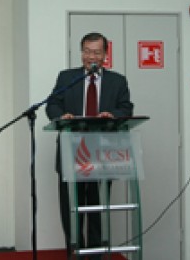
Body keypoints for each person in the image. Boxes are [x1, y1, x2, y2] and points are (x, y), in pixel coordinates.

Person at [45, 32, 134, 259]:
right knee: (70, 207)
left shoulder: (117, 81)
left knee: (96, 206)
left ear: (105, 54)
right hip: (70, 149)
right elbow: (52, 104)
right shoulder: (67, 78)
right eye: (86, 51)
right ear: (81, 52)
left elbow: (126, 109)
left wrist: (112, 115)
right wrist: (61, 115)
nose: (90, 56)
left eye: (96, 52)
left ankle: (94, 253)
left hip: (102, 153)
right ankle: (74, 249)